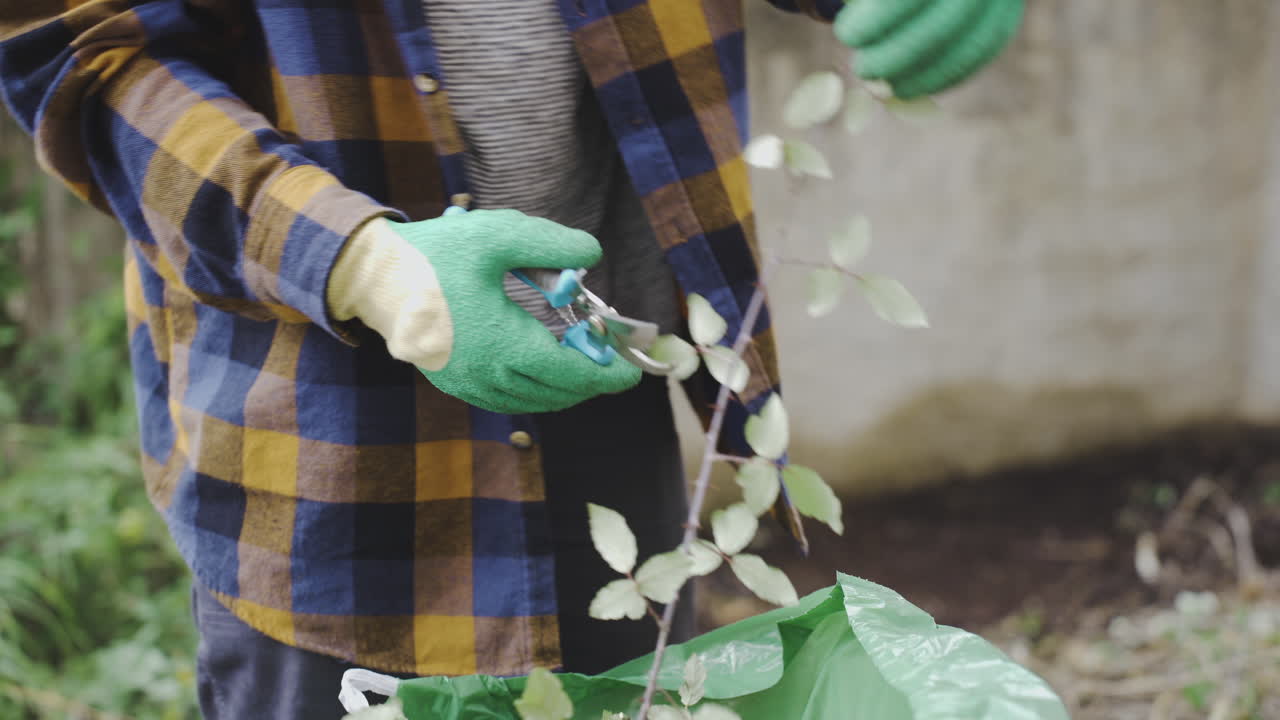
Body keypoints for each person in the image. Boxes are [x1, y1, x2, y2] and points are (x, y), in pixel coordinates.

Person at [0, 1, 1021, 717]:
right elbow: (81, 54)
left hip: (603, 372)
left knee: (639, 687)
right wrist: (360, 265)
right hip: (326, 432)